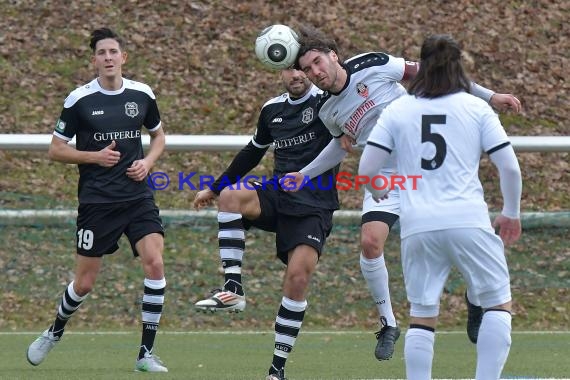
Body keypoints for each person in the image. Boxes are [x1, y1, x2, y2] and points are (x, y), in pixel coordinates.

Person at [282, 25, 522, 361]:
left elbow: (434, 74)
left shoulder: (373, 65)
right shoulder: (326, 110)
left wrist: (490, 96)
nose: (315, 72)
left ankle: (476, 295)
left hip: (423, 166)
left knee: (450, 236)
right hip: (383, 177)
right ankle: (388, 324)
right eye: (307, 69)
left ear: (333, 56)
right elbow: (341, 146)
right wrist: (304, 175)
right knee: (369, 242)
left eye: (318, 62)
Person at [358, 34, 522, 379]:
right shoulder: (475, 107)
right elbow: (508, 166)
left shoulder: (399, 109)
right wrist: (511, 212)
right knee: (498, 303)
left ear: (422, 67)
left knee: (422, 315)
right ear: (459, 67)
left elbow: (367, 170)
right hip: (467, 220)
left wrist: (378, 189)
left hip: (419, 226)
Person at [26, 28, 168, 373]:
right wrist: (94, 157)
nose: (108, 57)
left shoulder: (142, 94)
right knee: (85, 282)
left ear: (123, 58)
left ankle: (145, 354)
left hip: (137, 198)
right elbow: (56, 150)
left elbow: (159, 137)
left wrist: (147, 163)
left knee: (155, 264)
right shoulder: (79, 100)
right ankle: (54, 331)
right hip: (97, 202)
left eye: (113, 51)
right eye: (101, 52)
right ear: (94, 60)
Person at [193, 68, 340, 380]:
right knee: (232, 196)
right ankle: (233, 289)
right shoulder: (272, 109)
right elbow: (252, 153)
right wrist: (216, 187)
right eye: (289, 69)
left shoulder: (328, 101)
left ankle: (277, 370)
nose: (296, 74)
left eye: (302, 66)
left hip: (314, 204)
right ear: (279, 72)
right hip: (279, 196)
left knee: (297, 279)